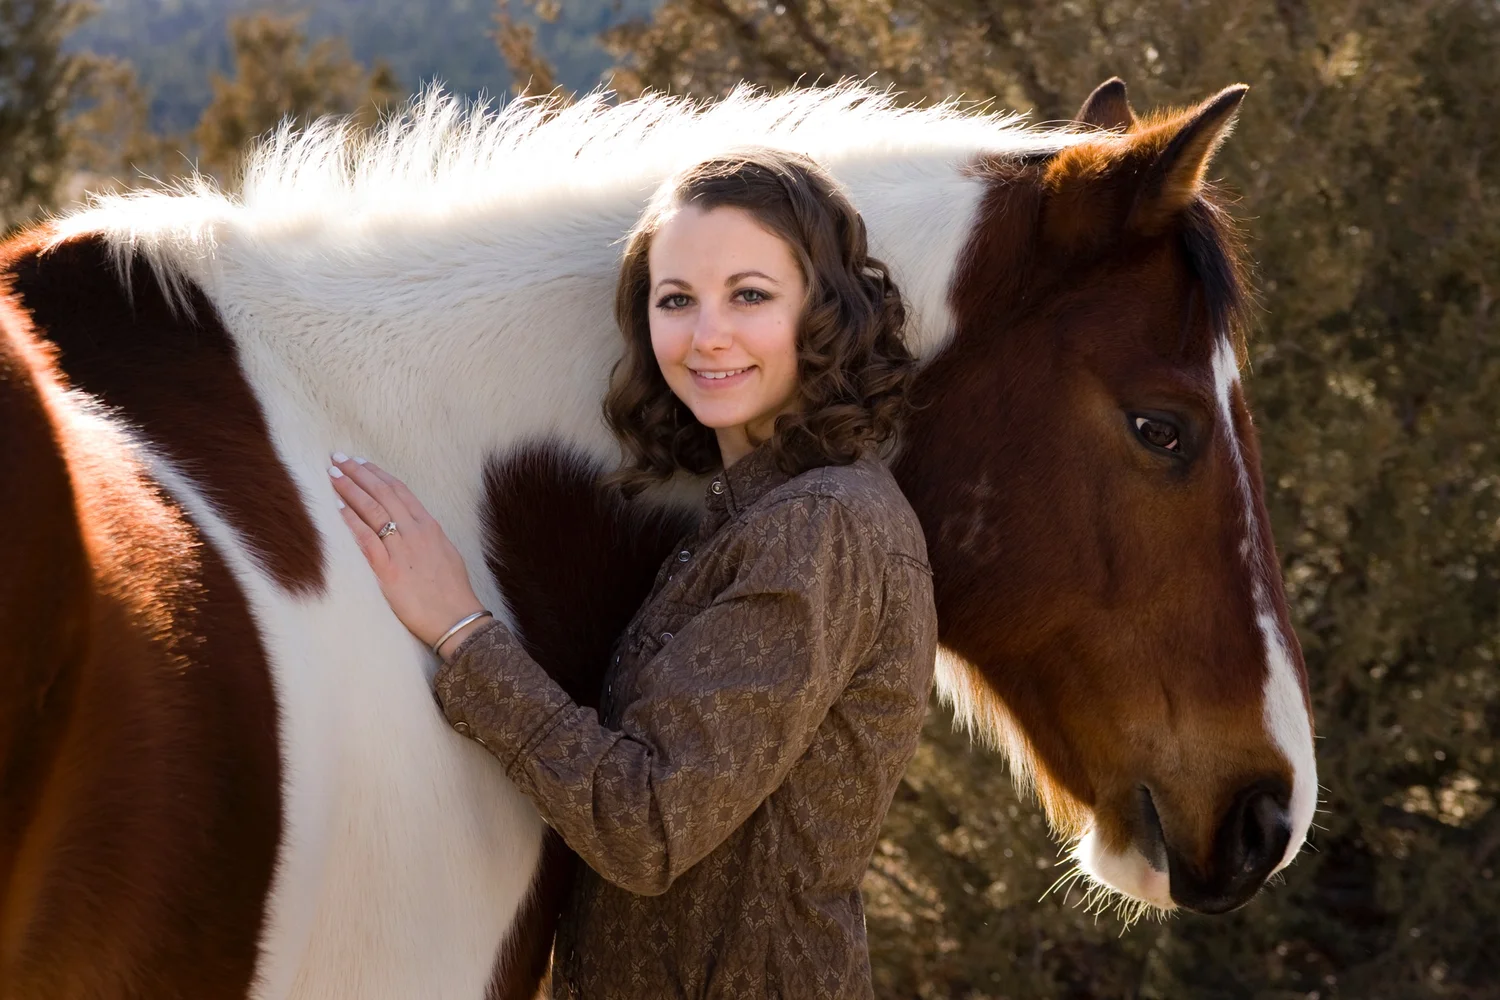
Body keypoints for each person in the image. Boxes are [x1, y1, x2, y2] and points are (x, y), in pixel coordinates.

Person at [327, 148, 938, 999]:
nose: (707, 334)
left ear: (822, 313)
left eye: (750, 295)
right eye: (676, 300)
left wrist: (462, 631)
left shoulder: (823, 527)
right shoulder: (749, 518)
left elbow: (647, 824)